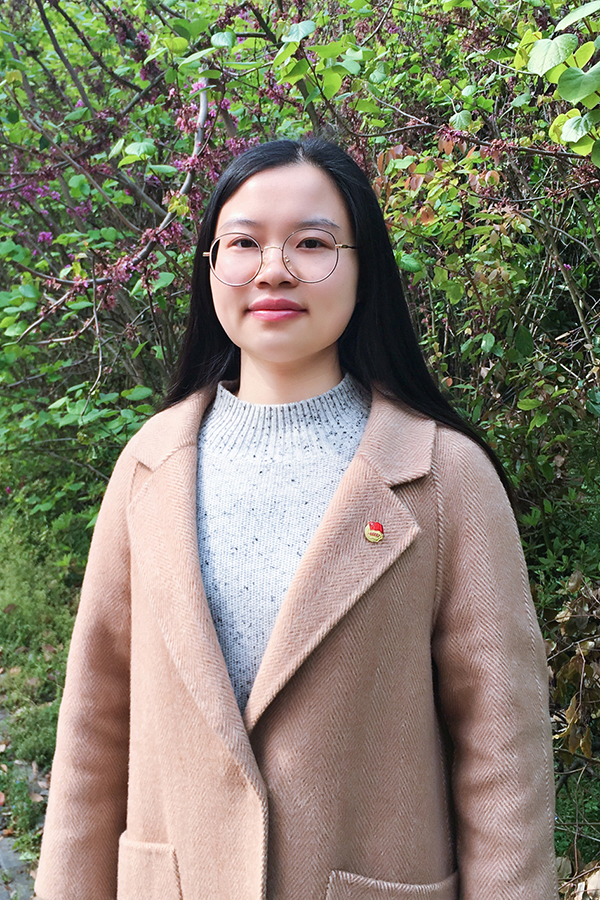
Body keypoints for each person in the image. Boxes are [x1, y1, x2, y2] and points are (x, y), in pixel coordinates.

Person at [35, 138, 557, 900]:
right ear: (210, 265)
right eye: (243, 243)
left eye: (312, 243)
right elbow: (93, 730)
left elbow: (502, 752)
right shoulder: (149, 468)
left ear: (363, 266)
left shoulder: (445, 478)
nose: (273, 269)